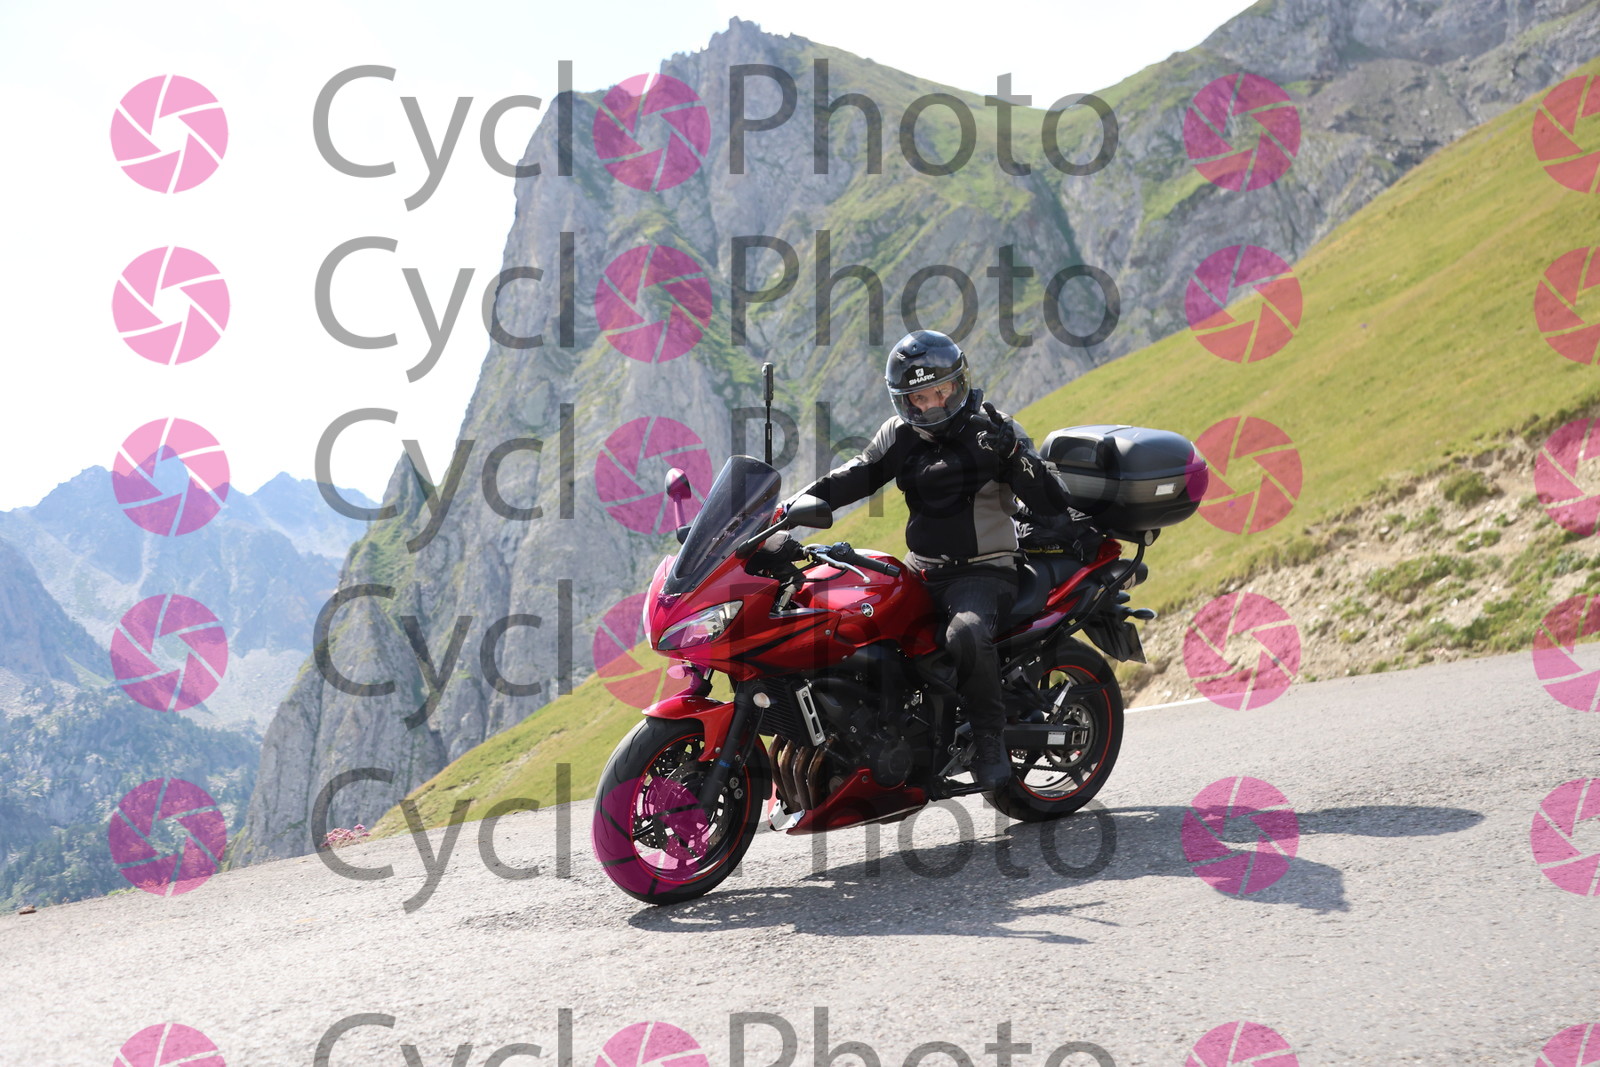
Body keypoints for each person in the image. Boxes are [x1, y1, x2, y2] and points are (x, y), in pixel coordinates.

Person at [793, 329, 1079, 790]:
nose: (932, 405)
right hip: (922, 569)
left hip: (986, 570)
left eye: (941, 391)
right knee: (855, 622)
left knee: (965, 633)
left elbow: (1051, 502)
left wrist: (1013, 454)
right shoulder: (899, 435)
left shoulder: (994, 429)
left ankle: (989, 739)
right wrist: (786, 512)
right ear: (904, 401)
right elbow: (851, 478)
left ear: (959, 384)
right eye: (919, 398)